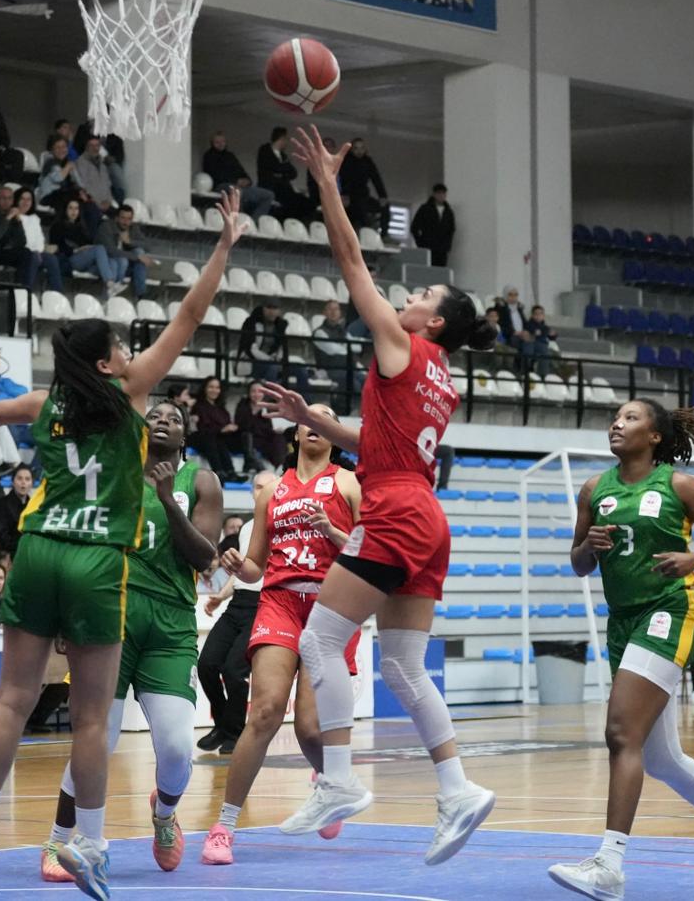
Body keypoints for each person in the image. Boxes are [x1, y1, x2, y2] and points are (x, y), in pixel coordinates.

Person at [0, 187, 243, 899]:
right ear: (109, 364)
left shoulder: (45, 402)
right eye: (120, 347)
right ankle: (89, 842)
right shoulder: (133, 393)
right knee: (91, 718)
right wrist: (223, 247)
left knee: (11, 700)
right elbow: (189, 315)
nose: (129, 352)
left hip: (37, 552)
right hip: (95, 560)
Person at [252, 129, 496, 865]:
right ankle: (457, 788)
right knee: (403, 666)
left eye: (421, 296)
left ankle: (336, 780)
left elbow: (351, 260)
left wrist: (328, 183)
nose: (408, 298)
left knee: (320, 641)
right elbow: (378, 438)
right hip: (426, 512)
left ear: (434, 322)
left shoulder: (402, 344)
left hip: (392, 509)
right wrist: (315, 419)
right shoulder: (442, 377)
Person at [541, 403, 694, 899]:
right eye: (615, 417)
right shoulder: (593, 489)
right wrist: (589, 547)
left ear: (654, 436)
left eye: (630, 418)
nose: (617, 423)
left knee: (619, 732)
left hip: (669, 612)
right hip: (623, 621)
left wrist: (693, 559)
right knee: (661, 760)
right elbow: (579, 564)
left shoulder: (680, 486)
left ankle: (609, 865)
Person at [38, 400, 222, 883]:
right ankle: (58, 839)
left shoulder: (200, 481)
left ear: (184, 438)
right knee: (97, 738)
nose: (163, 421)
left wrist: (167, 500)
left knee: (177, 748)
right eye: (155, 415)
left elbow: (205, 556)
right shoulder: (108, 475)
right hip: (109, 617)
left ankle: (164, 814)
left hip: (170, 626)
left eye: (175, 419)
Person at [200, 408, 362, 865]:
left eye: (327, 417)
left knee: (310, 726)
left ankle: (330, 784)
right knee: (266, 711)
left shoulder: (350, 483)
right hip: (280, 602)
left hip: (330, 605)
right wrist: (238, 566)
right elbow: (255, 566)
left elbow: (369, 549)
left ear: (334, 436)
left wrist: (332, 531)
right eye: (309, 416)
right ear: (296, 433)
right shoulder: (272, 490)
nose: (316, 422)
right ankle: (224, 827)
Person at [194, 511, 257, 757]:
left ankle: (235, 733)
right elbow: (241, 570)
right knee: (206, 664)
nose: (259, 493)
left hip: (262, 603)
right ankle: (223, 725)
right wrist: (221, 596)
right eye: (256, 491)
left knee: (234, 671)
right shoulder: (247, 528)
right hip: (237, 602)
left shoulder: (280, 524)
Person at [49, 197, 124, 298]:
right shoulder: (57, 226)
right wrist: (76, 250)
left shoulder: (81, 227)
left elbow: (88, 243)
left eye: (76, 208)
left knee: (113, 262)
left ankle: (107, 297)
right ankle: (110, 284)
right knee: (99, 249)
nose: (74, 211)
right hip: (70, 259)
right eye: (70, 208)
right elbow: (56, 247)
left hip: (86, 262)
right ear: (65, 210)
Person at [200, 131, 274, 218]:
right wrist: (236, 181)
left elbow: (242, 172)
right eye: (217, 142)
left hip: (241, 187)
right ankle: (239, 219)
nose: (220, 144)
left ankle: (254, 222)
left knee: (268, 195)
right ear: (212, 143)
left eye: (222, 141)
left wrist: (247, 180)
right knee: (236, 191)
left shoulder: (230, 156)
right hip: (222, 186)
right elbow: (215, 176)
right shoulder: (209, 156)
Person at [189, 376, 240, 481]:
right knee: (211, 438)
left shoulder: (221, 407)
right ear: (205, 389)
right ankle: (218, 472)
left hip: (219, 438)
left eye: (217, 387)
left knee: (221, 440)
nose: (214, 390)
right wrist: (221, 429)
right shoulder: (198, 406)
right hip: (202, 438)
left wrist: (230, 428)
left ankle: (231, 473)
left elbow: (227, 423)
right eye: (211, 387)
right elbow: (202, 428)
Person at [257, 126, 311, 222]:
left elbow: (293, 173)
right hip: (271, 187)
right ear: (281, 138)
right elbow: (271, 168)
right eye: (286, 139)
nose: (287, 142)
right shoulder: (265, 150)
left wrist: (280, 173)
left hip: (284, 188)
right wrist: (283, 171)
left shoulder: (283, 156)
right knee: (292, 202)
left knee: (306, 202)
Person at [0, 463, 35, 557]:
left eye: (27, 479)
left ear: (32, 483)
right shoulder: (1, 505)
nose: (23, 482)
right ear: (13, 482)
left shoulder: (34, 507)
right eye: (19, 478)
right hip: (7, 553)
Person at [109, 203, 156, 298]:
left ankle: (141, 293)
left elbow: (147, 246)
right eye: (123, 218)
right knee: (128, 259)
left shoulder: (133, 228)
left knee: (139, 252)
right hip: (111, 264)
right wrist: (137, 256)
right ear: (117, 218)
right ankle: (118, 290)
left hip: (128, 266)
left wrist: (130, 242)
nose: (126, 222)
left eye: (129, 219)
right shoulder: (109, 227)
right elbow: (110, 251)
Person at [338, 137, 386, 228]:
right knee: (356, 214)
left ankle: (383, 233)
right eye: (356, 148)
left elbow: (376, 179)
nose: (359, 151)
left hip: (363, 195)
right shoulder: (346, 161)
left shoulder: (368, 162)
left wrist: (382, 196)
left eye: (362, 148)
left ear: (365, 149)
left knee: (384, 207)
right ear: (351, 149)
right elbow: (344, 179)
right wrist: (344, 194)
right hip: (349, 196)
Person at [410, 183, 455, 267]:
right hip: (428, 247)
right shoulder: (425, 209)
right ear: (434, 194)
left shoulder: (448, 212)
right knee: (427, 270)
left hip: (442, 250)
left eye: (443, 194)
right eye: (439, 193)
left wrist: (447, 246)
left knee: (440, 271)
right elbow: (414, 227)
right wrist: (421, 243)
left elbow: (451, 230)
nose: (441, 196)